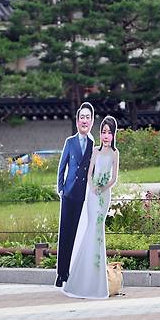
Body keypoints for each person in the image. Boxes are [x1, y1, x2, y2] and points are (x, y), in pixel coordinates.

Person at [63, 116, 119, 299]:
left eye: (109, 132)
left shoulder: (114, 154)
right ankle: (83, 279)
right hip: (93, 195)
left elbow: (114, 178)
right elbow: (89, 173)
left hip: (104, 196)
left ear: (113, 135)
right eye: (103, 132)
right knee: (90, 231)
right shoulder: (95, 151)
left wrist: (104, 187)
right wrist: (93, 187)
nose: (106, 136)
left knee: (98, 232)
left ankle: (96, 281)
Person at [55, 102, 95, 288]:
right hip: (69, 193)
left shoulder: (93, 144)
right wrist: (61, 188)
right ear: (77, 121)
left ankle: (75, 272)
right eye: (82, 117)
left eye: (88, 117)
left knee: (78, 234)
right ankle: (61, 273)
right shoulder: (70, 142)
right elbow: (62, 166)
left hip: (83, 195)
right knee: (65, 233)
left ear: (92, 121)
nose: (84, 121)